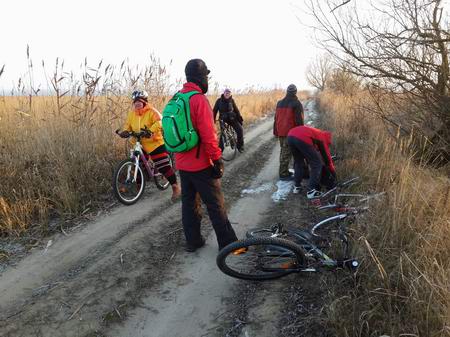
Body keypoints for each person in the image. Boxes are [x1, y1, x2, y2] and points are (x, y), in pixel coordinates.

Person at [174, 59, 238, 252]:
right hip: (201, 164)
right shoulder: (198, 99)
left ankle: (193, 242)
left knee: (189, 203)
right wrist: (217, 159)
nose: (207, 80)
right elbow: (209, 135)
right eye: (206, 76)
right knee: (215, 203)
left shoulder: (176, 98)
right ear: (200, 77)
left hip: (182, 163)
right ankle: (229, 245)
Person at [118, 90, 180, 201]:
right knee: (138, 164)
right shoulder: (132, 114)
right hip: (139, 143)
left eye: (140, 101)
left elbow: (160, 122)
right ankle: (138, 187)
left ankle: (175, 187)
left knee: (163, 165)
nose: (137, 103)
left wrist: (150, 131)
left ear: (145, 101)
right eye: (135, 101)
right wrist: (125, 131)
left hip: (154, 143)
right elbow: (128, 125)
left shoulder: (151, 111)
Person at [287, 125, 337, 198]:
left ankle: (297, 186)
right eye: (328, 144)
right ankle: (311, 191)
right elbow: (327, 159)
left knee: (298, 162)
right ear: (327, 140)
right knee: (317, 164)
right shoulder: (323, 138)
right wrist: (333, 172)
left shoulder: (316, 132)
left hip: (290, 136)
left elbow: (310, 150)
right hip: (301, 137)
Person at [273, 84, 304, 180]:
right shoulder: (297, 103)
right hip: (290, 133)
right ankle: (283, 174)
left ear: (287, 91)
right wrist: (301, 133)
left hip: (280, 132)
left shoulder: (279, 103)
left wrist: (275, 131)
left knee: (284, 152)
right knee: (287, 154)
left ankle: (285, 171)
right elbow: (299, 120)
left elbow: (276, 118)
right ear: (295, 92)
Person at [213, 88, 244, 152]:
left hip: (232, 119)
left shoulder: (232, 100)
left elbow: (236, 110)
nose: (227, 94)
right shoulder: (219, 101)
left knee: (240, 130)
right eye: (226, 93)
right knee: (223, 133)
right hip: (223, 120)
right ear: (224, 93)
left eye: (229, 93)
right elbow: (214, 111)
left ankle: (240, 146)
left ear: (230, 94)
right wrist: (213, 121)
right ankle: (220, 149)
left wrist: (239, 118)